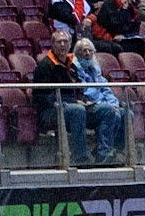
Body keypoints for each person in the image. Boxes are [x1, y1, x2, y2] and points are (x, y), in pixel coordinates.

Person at [34, 29, 124, 165]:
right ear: (53, 44)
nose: (62, 45)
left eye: (65, 41)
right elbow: (44, 97)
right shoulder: (45, 65)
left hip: (74, 105)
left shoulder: (71, 65)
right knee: (78, 110)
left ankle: (104, 154)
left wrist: (85, 101)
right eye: (59, 42)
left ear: (70, 43)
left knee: (107, 110)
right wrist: (73, 102)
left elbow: (79, 90)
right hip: (52, 110)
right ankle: (81, 157)